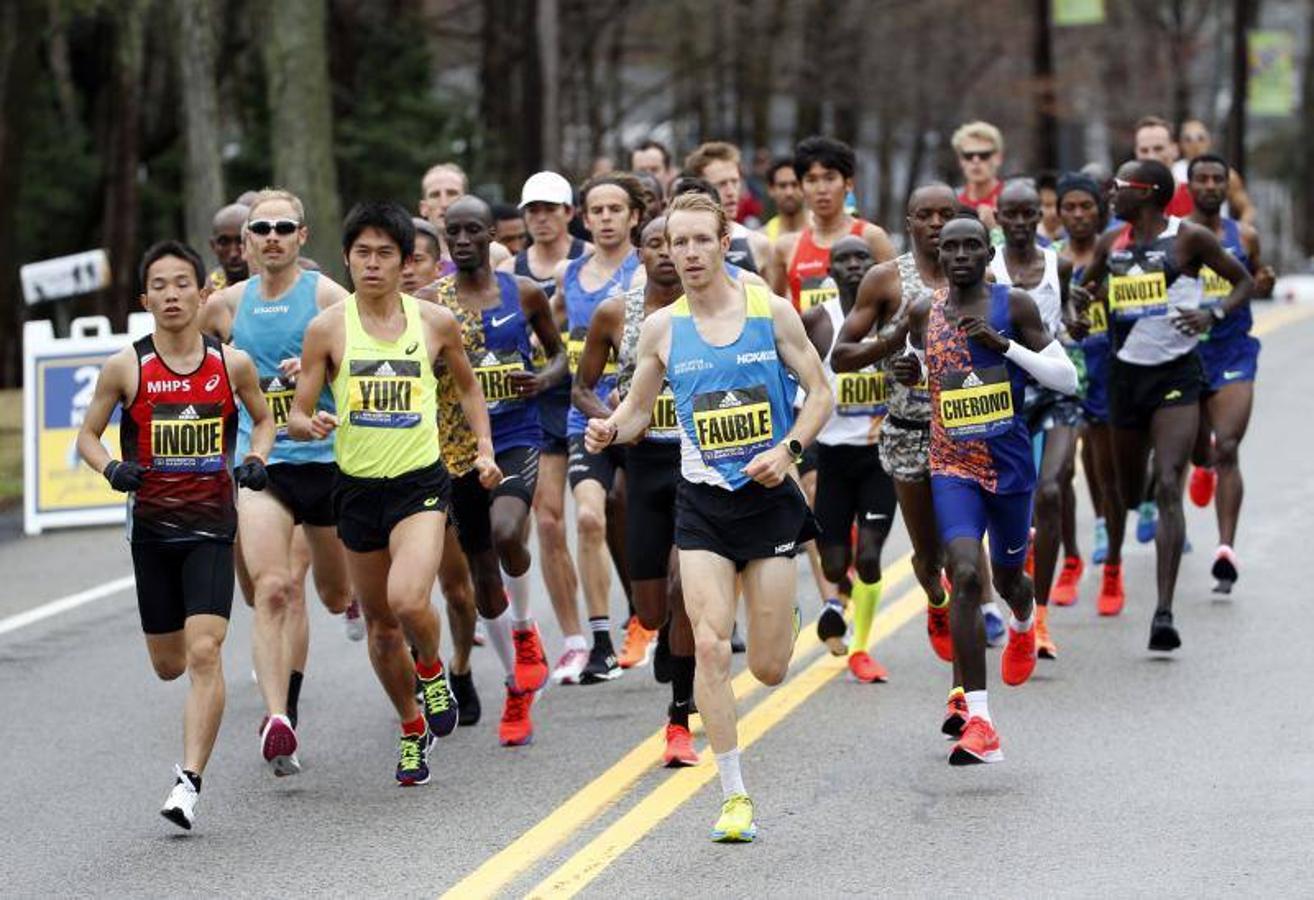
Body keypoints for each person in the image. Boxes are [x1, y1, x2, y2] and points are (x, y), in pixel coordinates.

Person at [585, 192, 832, 842]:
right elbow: (639, 409)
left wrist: (790, 449)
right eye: (674, 243)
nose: (686, 254)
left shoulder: (769, 313)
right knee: (713, 645)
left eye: (699, 240)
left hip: (770, 499)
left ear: (725, 244)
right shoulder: (662, 329)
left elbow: (820, 394)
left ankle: (783, 618)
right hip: (704, 505)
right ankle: (733, 795)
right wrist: (611, 429)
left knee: (772, 667)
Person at [287, 201, 500, 785]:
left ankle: (432, 672)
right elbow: (300, 412)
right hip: (355, 490)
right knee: (381, 629)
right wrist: (310, 424)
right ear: (348, 258)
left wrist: (483, 448)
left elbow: (467, 389)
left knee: (410, 601)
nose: (373, 264)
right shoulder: (327, 329)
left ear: (405, 261)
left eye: (386, 253)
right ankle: (412, 730)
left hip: (420, 485)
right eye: (363, 253)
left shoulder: (433, 323)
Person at [77, 240, 274, 829]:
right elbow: (88, 435)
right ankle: (191, 735)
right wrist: (111, 467)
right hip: (153, 534)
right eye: (159, 285)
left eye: (182, 283)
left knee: (205, 652)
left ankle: (188, 782)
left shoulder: (230, 365)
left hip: (213, 529)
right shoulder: (127, 367)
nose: (171, 295)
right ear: (145, 299)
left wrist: (257, 458)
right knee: (168, 665)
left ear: (202, 291)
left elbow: (262, 418)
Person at [894, 212, 1078, 765]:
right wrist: (912, 372)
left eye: (972, 246)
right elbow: (933, 368)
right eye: (950, 248)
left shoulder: (1014, 305)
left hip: (1010, 467)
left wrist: (1005, 347)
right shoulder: (926, 309)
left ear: (987, 253)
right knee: (966, 574)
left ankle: (1024, 623)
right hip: (951, 463)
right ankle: (980, 719)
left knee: (1013, 580)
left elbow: (1065, 378)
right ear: (940, 255)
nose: (960, 256)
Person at [200, 189, 358, 770]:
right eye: (260, 228)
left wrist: (321, 367)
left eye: (282, 227)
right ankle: (279, 718)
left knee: (334, 593)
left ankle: (354, 606)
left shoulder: (326, 297)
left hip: (330, 462)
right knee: (273, 589)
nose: (271, 236)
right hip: (264, 463)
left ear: (301, 237)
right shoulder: (223, 306)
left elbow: (368, 357)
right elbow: (189, 364)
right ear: (244, 242)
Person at [1078, 160, 1252, 648]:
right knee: (1130, 494)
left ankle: (1163, 613)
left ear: (1149, 193)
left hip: (1176, 375)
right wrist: (1076, 315)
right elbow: (1083, 290)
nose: (1111, 192)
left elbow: (1241, 281)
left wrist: (1210, 312)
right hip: (1124, 379)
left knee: (1171, 487)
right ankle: (1123, 541)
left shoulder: (1189, 238)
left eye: (1121, 186)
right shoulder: (1112, 242)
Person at [435, 195, 566, 745]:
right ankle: (516, 687)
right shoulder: (430, 304)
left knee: (507, 529)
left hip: (514, 434)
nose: (463, 241)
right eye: (453, 233)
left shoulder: (524, 293)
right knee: (482, 577)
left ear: (493, 235)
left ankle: (526, 629)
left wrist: (542, 379)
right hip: (455, 446)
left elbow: (561, 357)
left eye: (473, 231)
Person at [833, 183, 962, 733]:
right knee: (929, 561)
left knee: (965, 564)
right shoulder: (887, 280)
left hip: (963, 433)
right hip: (907, 430)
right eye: (925, 216)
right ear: (908, 223)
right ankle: (933, 596)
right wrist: (894, 351)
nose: (936, 224)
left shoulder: (979, 276)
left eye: (946, 215)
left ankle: (962, 692)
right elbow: (841, 355)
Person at [573, 215, 699, 767]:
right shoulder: (615, 312)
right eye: (655, 243)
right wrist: (612, 420)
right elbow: (582, 387)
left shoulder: (712, 310)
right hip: (644, 465)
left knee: (683, 585)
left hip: (698, 466)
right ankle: (666, 632)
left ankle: (680, 716)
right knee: (652, 609)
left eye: (676, 242)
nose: (667, 253)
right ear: (640, 253)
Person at [498, 171, 593, 683]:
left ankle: (630, 622)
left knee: (601, 516)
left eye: (550, 208)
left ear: (568, 213)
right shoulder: (509, 270)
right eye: (532, 209)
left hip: (588, 397)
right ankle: (575, 639)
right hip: (535, 406)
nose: (540, 217)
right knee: (551, 521)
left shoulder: (587, 260)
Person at [554, 173, 646, 683]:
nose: (607, 219)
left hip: (641, 418)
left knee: (634, 515)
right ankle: (602, 641)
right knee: (589, 517)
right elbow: (553, 337)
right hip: (585, 414)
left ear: (634, 215)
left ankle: (645, 611)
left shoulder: (648, 267)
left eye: (617, 209)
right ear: (584, 219)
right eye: (598, 211)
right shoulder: (571, 274)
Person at [991, 180, 1083, 659]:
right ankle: (1006, 595)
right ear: (998, 219)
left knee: (1051, 490)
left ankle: (1040, 618)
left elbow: (1065, 319)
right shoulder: (985, 268)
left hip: (1053, 390)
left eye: (1030, 213)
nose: (1023, 222)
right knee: (1007, 504)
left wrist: (1075, 322)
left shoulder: (1057, 264)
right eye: (1013, 214)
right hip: (1004, 397)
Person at [802, 235, 897, 681]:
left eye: (863, 257)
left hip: (881, 455)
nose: (855, 265)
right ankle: (841, 595)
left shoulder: (892, 314)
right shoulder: (817, 322)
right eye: (845, 259)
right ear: (831, 269)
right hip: (833, 456)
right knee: (835, 564)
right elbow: (790, 379)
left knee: (873, 558)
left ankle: (861, 646)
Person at [1184, 153, 1273, 591]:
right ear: (1190, 185)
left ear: (1227, 186)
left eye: (1217, 178)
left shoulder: (1246, 236)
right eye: (1201, 178)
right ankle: (1202, 466)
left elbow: (1255, 280)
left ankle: (1225, 551)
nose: (1210, 185)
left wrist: (1265, 284)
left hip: (1234, 350)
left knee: (1230, 446)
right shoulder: (1176, 237)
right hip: (1186, 356)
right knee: (1202, 453)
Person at [1055, 173, 1119, 575]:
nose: (1078, 215)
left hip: (1106, 366)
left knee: (1101, 464)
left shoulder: (1116, 255)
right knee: (1061, 470)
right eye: (1069, 208)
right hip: (1064, 368)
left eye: (1086, 207)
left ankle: (1104, 531)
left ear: (1100, 211)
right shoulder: (1051, 259)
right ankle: (1070, 555)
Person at [768, 135, 896, 312]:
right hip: (806, 339)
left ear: (848, 183)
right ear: (801, 186)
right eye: (811, 180)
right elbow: (773, 313)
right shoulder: (786, 247)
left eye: (830, 178)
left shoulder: (872, 237)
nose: (821, 189)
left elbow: (899, 301)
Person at [683, 141, 771, 273]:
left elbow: (773, 293)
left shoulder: (758, 243)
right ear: (698, 190)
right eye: (721, 184)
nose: (731, 192)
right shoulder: (681, 246)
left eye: (735, 182)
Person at [1174, 119, 1254, 224]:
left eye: (1200, 138)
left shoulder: (1226, 174)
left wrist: (1238, 233)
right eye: (1188, 139)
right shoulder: (1172, 172)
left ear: (1209, 141)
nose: (1195, 144)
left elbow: (1247, 209)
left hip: (1217, 235)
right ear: (1181, 144)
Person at [1133, 116, 1193, 218]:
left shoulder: (1194, 196)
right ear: (1136, 153)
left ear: (1175, 150)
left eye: (1158, 149)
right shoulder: (1128, 200)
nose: (1151, 156)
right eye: (1144, 150)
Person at [952, 121, 1005, 231]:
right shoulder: (951, 202)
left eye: (984, 155)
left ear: (998, 158)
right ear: (961, 160)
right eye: (968, 156)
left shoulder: (1011, 200)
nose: (976, 161)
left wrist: (995, 229)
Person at [761, 156, 807, 242]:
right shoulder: (763, 238)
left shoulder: (822, 229)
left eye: (795, 185)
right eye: (782, 186)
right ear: (771, 189)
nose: (789, 193)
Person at [207, 203, 249, 291]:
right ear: (213, 245)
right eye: (224, 242)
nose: (233, 254)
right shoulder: (205, 294)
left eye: (241, 241)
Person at [1035, 172, 1064, 246]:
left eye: (1058, 205)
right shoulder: (1031, 239)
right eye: (1047, 205)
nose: (1054, 212)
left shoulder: (1073, 237)